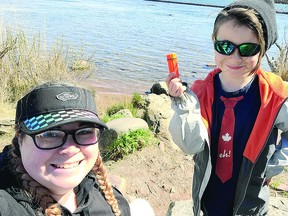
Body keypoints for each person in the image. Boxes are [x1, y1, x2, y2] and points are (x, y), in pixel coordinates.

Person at [166, 0, 288, 215]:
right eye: (225, 46)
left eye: (248, 49)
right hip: (209, 199)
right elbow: (190, 146)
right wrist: (182, 104)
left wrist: (274, 165)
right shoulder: (200, 92)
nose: (235, 57)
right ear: (214, 41)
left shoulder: (275, 95)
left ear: (263, 49)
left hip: (251, 202)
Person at [0, 82, 131, 215]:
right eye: (50, 134)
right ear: (19, 140)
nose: (70, 149)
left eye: (85, 132)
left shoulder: (104, 192)